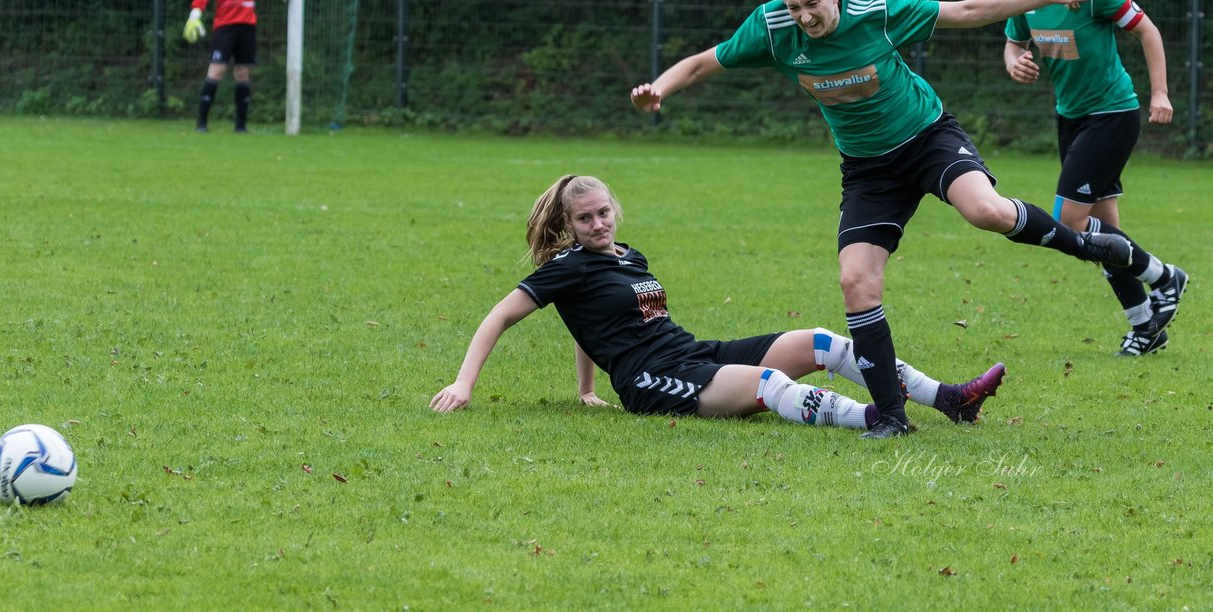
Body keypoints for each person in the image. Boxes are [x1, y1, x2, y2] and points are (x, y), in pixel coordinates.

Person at [629, 0, 1135, 438]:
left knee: (985, 211)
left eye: (813, 5)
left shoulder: (874, 8)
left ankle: (1087, 245)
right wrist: (660, 89)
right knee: (856, 283)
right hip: (869, 169)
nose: (804, 17)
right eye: (794, 7)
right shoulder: (772, 26)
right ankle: (893, 416)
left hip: (927, 138)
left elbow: (968, 10)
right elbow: (703, 62)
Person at [430, 175, 1006, 437]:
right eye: (585, 218)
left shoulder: (629, 257)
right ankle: (876, 419)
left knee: (822, 342)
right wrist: (464, 385)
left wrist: (584, 389)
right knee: (769, 384)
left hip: (691, 353)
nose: (599, 223)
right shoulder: (566, 267)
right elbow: (499, 316)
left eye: (604, 212)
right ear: (567, 225)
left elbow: (590, 324)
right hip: (653, 381)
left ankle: (950, 400)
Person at [1004, 0, 1189, 357]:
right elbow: (1012, 43)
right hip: (1070, 118)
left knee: (1073, 223)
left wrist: (1160, 93)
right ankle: (1145, 324)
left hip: (1111, 115)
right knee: (1103, 231)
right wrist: (1015, 63)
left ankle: (1165, 277)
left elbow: (1148, 30)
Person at [182, 0, 293, 133]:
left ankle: (241, 127)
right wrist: (195, 13)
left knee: (242, 73)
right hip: (225, 27)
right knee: (217, 70)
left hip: (247, 28)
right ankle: (201, 124)